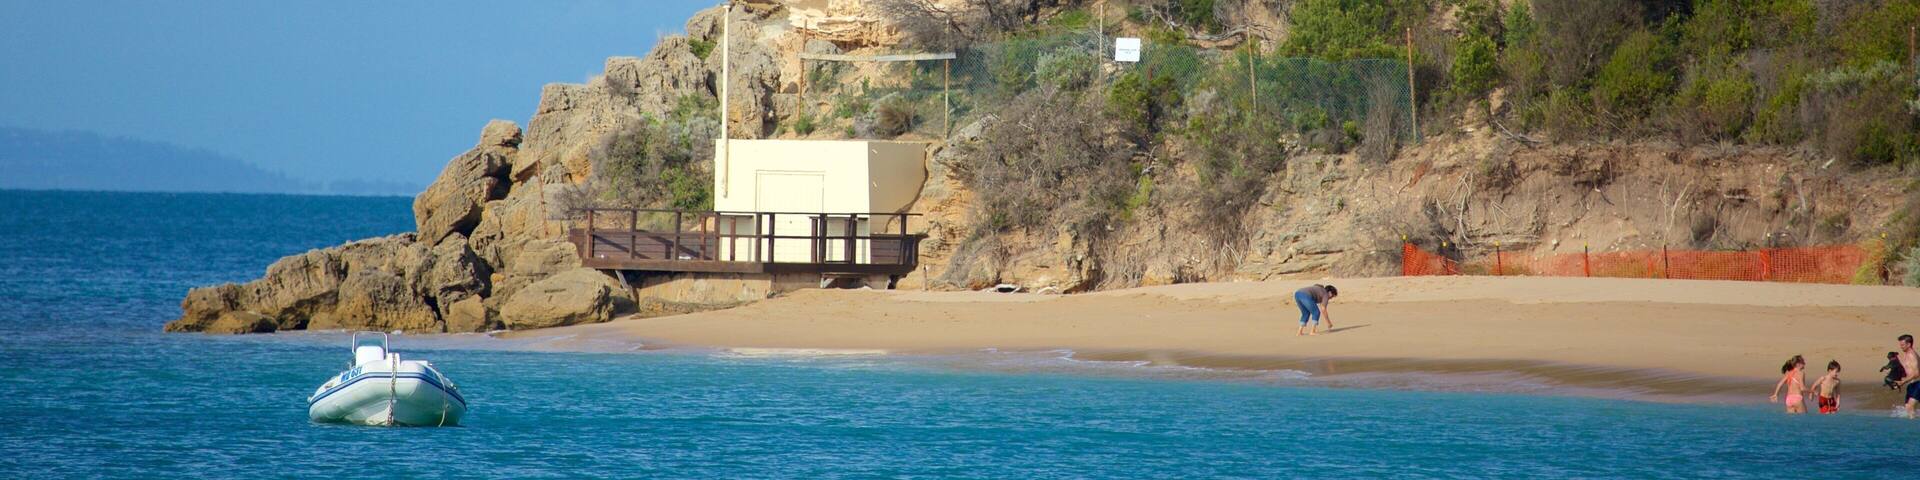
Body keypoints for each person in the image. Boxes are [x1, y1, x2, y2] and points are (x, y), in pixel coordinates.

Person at [1896, 335, 1920, 418]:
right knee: (1907, 408)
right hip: (1911, 384)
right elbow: (1909, 371)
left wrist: (1903, 381)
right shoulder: (1906, 355)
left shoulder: (1912, 355)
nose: (1901, 347)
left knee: (1910, 407)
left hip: (1918, 384)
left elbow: (1917, 373)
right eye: (1900, 345)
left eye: (1902, 345)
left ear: (1909, 344)